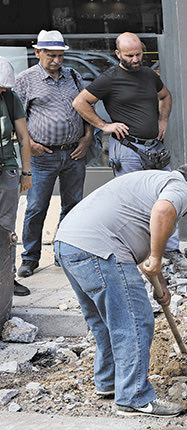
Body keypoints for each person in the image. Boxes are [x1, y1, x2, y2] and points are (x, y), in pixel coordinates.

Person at [54, 162, 187, 417]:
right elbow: (162, 212)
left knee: (106, 321)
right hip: (100, 249)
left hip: (69, 243)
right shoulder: (180, 188)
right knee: (136, 321)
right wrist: (158, 259)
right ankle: (134, 397)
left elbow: (147, 246)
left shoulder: (152, 182)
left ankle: (109, 382)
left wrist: (160, 285)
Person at [72, 33, 187, 270]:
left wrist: (163, 120)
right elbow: (80, 103)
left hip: (154, 147)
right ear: (118, 54)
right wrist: (105, 126)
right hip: (127, 148)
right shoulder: (109, 79)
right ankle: (138, 254)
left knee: (171, 195)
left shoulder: (148, 75)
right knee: (132, 202)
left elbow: (165, 96)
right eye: (130, 56)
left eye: (139, 54)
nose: (136, 59)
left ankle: (171, 250)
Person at [14, 30, 93, 280]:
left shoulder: (74, 76)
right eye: (51, 55)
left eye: (60, 56)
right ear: (37, 53)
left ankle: (64, 253)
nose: (57, 61)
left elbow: (86, 107)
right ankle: (30, 258)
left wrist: (88, 136)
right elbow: (18, 117)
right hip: (42, 156)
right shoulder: (25, 80)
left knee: (73, 206)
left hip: (74, 153)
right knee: (37, 207)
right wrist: (31, 144)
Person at [0, 57, 33, 297]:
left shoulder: (10, 99)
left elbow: (24, 139)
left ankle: (7, 279)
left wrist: (26, 172)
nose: (2, 90)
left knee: (6, 226)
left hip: (6, 168)